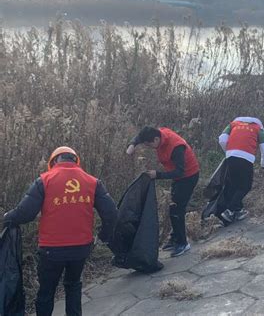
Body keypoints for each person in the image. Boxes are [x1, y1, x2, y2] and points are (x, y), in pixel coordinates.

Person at [3, 147, 118, 316]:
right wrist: (103, 236)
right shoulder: (92, 182)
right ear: (75, 160)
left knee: (46, 292)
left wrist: (7, 217)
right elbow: (112, 213)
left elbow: (24, 214)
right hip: (81, 248)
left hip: (51, 250)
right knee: (73, 286)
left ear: (53, 162)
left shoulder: (44, 181)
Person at [126, 126, 199, 257]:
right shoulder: (158, 134)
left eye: (149, 145)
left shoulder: (176, 146)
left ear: (155, 139)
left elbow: (179, 171)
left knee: (177, 209)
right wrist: (132, 145)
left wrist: (157, 175)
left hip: (188, 176)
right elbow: (140, 135)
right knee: (173, 207)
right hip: (179, 178)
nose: (149, 147)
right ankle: (175, 237)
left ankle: (183, 243)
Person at [218, 117, 264, 224]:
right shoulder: (258, 129)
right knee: (245, 186)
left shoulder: (233, 124)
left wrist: (228, 152)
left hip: (231, 157)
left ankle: (238, 211)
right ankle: (230, 210)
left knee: (234, 185)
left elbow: (222, 139)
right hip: (246, 158)